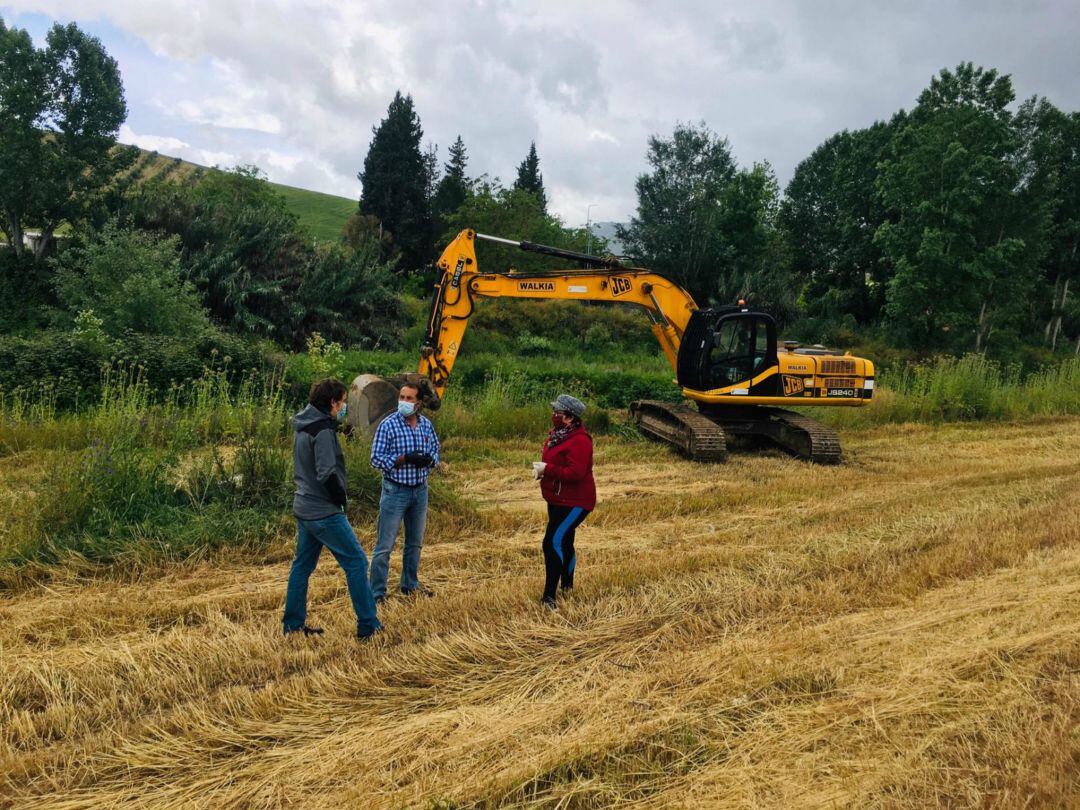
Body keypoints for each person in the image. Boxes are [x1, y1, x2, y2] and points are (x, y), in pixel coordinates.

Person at [283, 379, 382, 639]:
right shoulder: (323, 431)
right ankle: (368, 625)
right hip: (322, 510)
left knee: (302, 567)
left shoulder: (303, 423)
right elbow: (327, 473)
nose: (344, 407)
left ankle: (292, 626)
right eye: (342, 402)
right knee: (357, 562)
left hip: (303, 505)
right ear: (332, 402)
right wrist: (341, 498)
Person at [369, 382, 441, 602]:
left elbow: (436, 450)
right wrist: (403, 459)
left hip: (419, 490)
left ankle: (410, 585)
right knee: (385, 545)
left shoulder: (426, 425)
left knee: (415, 542)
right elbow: (375, 459)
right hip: (395, 491)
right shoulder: (388, 425)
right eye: (402, 397)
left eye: (410, 399)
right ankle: (376, 593)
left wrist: (430, 461)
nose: (404, 402)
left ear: (419, 404)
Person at [533, 394, 596, 609]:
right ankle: (567, 586)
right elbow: (558, 464)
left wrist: (547, 469)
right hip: (558, 498)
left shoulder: (580, 441)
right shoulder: (557, 435)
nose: (553, 415)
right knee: (566, 540)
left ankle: (549, 597)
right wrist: (544, 472)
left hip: (576, 501)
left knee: (551, 542)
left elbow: (576, 473)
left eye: (557, 413)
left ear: (569, 418)